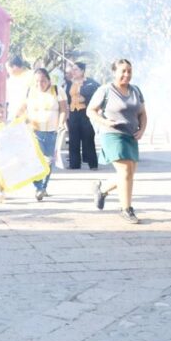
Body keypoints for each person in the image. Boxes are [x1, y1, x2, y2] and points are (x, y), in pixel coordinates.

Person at [87, 59, 147, 224]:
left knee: (128, 173)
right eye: (123, 71)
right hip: (112, 134)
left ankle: (102, 189)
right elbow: (90, 111)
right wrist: (105, 122)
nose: (126, 74)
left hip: (131, 135)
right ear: (114, 72)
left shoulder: (136, 90)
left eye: (129, 71)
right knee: (125, 171)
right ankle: (126, 209)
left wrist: (142, 129)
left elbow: (142, 113)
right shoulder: (105, 90)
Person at [18, 68, 68, 201]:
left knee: (48, 161)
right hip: (34, 132)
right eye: (37, 81)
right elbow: (21, 109)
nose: (40, 84)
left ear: (49, 80)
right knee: (35, 160)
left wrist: (61, 124)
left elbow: (64, 110)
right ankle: (38, 187)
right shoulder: (29, 91)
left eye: (43, 81)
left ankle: (44, 187)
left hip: (52, 132)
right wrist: (17, 121)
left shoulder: (57, 90)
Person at [65, 62, 99, 170]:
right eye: (73, 69)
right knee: (73, 139)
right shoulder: (70, 83)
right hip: (73, 112)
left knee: (88, 137)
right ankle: (74, 164)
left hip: (85, 112)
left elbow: (96, 94)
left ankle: (92, 164)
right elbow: (67, 98)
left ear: (82, 71)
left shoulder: (89, 82)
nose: (73, 72)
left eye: (76, 69)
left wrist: (85, 97)